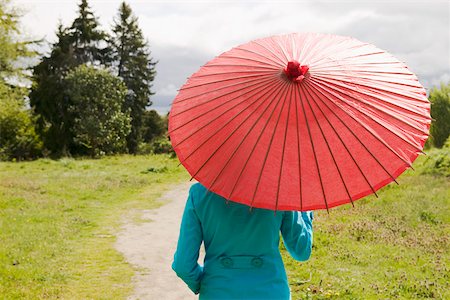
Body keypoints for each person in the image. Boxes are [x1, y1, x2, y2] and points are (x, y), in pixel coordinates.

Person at [172, 182, 314, 300]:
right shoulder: (279, 191)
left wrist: (207, 282)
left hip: (217, 292)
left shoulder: (199, 193)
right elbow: (301, 251)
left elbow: (183, 265)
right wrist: (304, 209)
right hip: (270, 292)